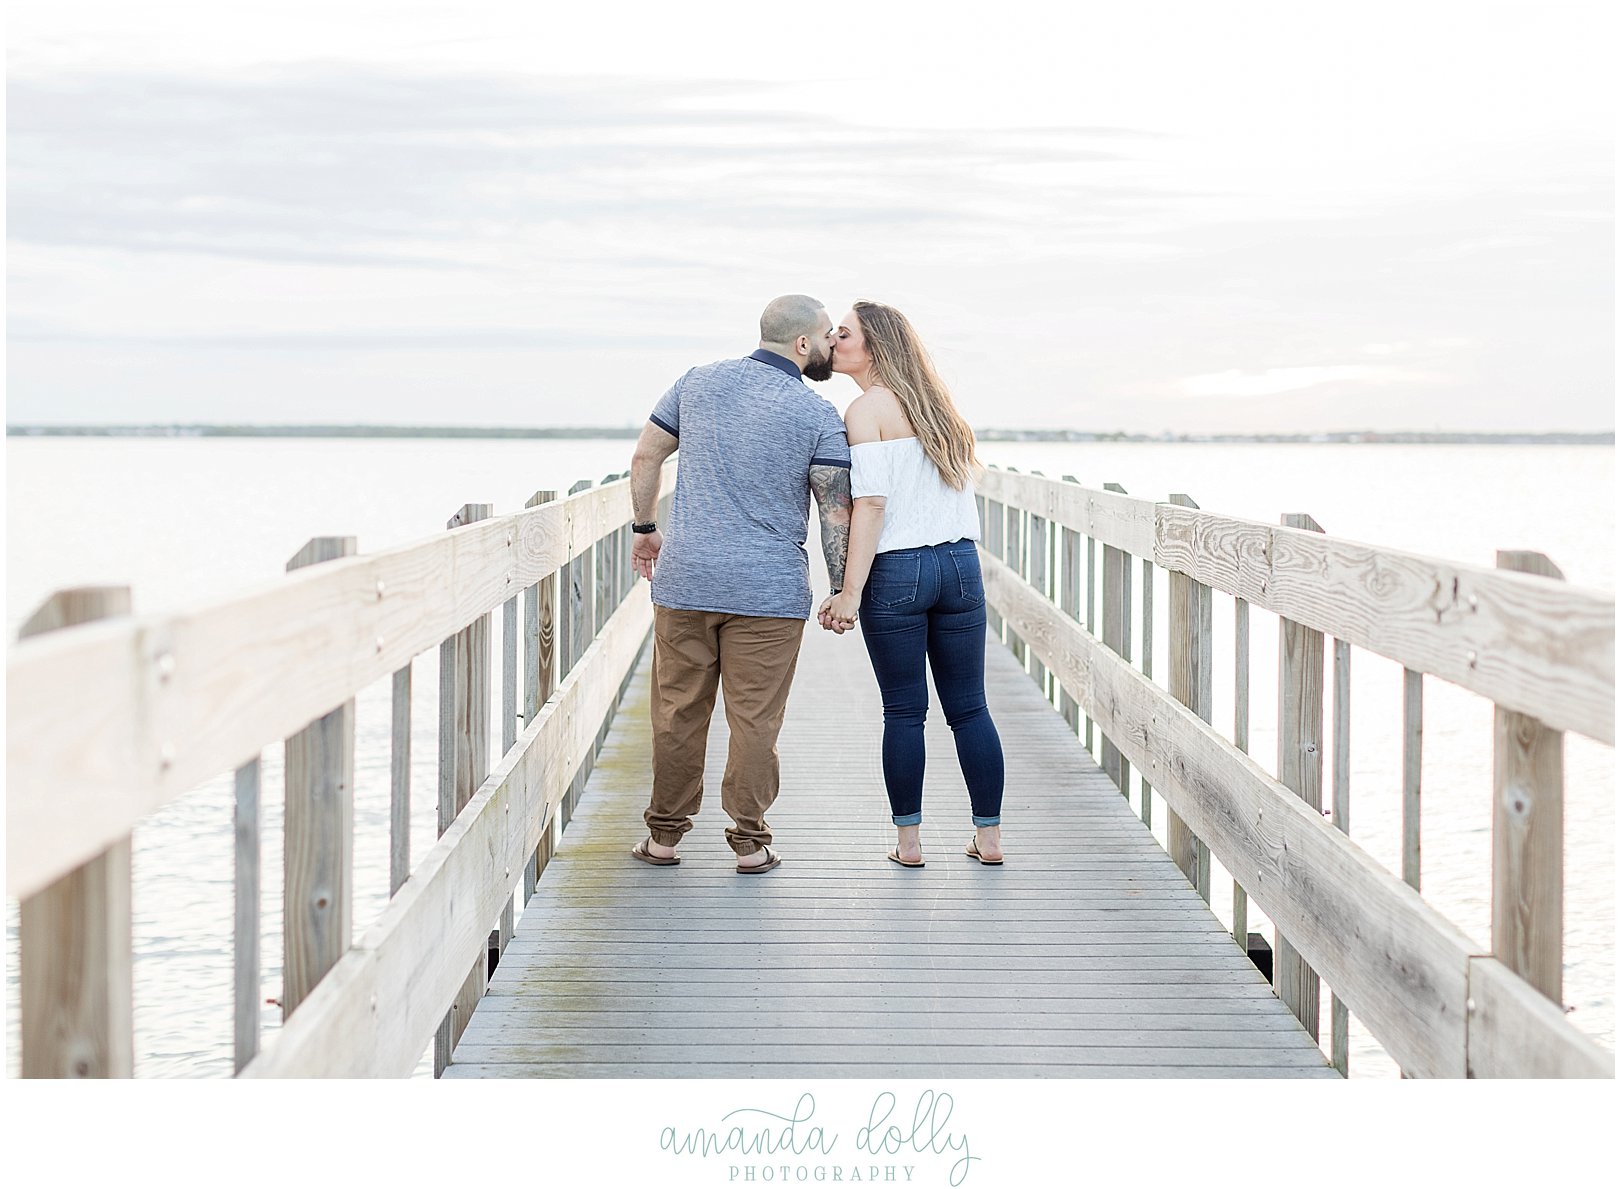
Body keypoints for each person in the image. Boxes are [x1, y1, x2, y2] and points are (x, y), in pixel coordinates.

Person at [628, 295, 853, 874]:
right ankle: (750, 845)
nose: (832, 346)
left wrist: (646, 528)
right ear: (803, 344)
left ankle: (664, 840)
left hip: (687, 581)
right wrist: (839, 587)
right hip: (768, 594)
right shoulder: (818, 414)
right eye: (828, 336)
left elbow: (646, 456)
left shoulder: (697, 383)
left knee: (678, 713)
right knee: (756, 720)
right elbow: (835, 510)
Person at [817, 300, 1006, 867]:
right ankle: (989, 840)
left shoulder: (865, 409)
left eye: (843, 332)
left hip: (899, 570)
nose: (832, 339)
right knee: (970, 708)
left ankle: (909, 844)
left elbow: (870, 504)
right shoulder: (937, 406)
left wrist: (848, 592)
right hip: (960, 566)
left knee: (904, 711)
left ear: (874, 345)